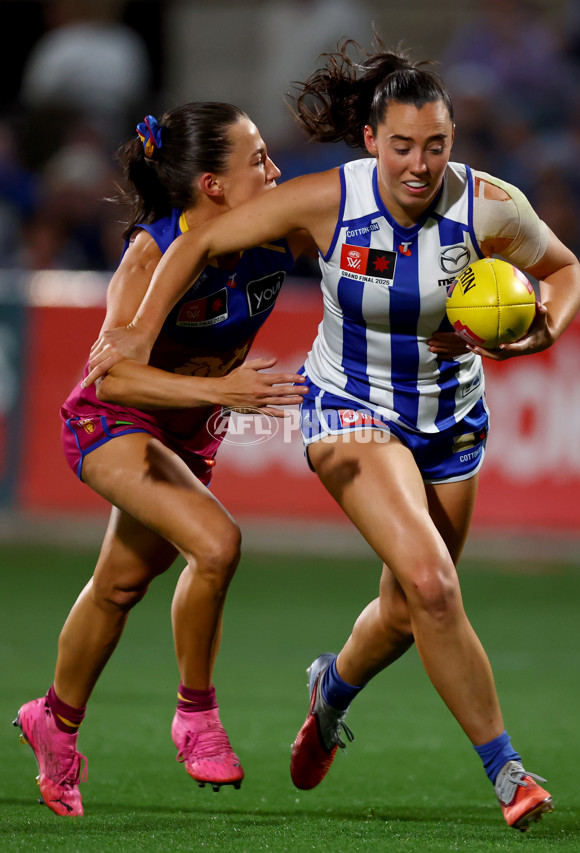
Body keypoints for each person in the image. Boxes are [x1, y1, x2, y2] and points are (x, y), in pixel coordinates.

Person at [83, 39, 580, 831]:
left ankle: (332, 691)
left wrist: (536, 333)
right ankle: (509, 770)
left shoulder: (490, 204)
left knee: (402, 607)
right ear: (371, 141)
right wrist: (140, 328)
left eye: (436, 145)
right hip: (349, 408)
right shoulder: (330, 199)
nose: (418, 164)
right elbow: (198, 238)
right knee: (431, 583)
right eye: (401, 146)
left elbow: (563, 271)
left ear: (452, 142)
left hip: (452, 419)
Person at [13, 101, 314, 817]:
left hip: (185, 438)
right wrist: (217, 388)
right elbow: (111, 374)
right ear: (213, 185)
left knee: (119, 585)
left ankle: (53, 721)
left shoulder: (281, 234)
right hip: (112, 422)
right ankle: (195, 713)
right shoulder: (153, 253)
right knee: (217, 544)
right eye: (258, 160)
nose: (275, 171)